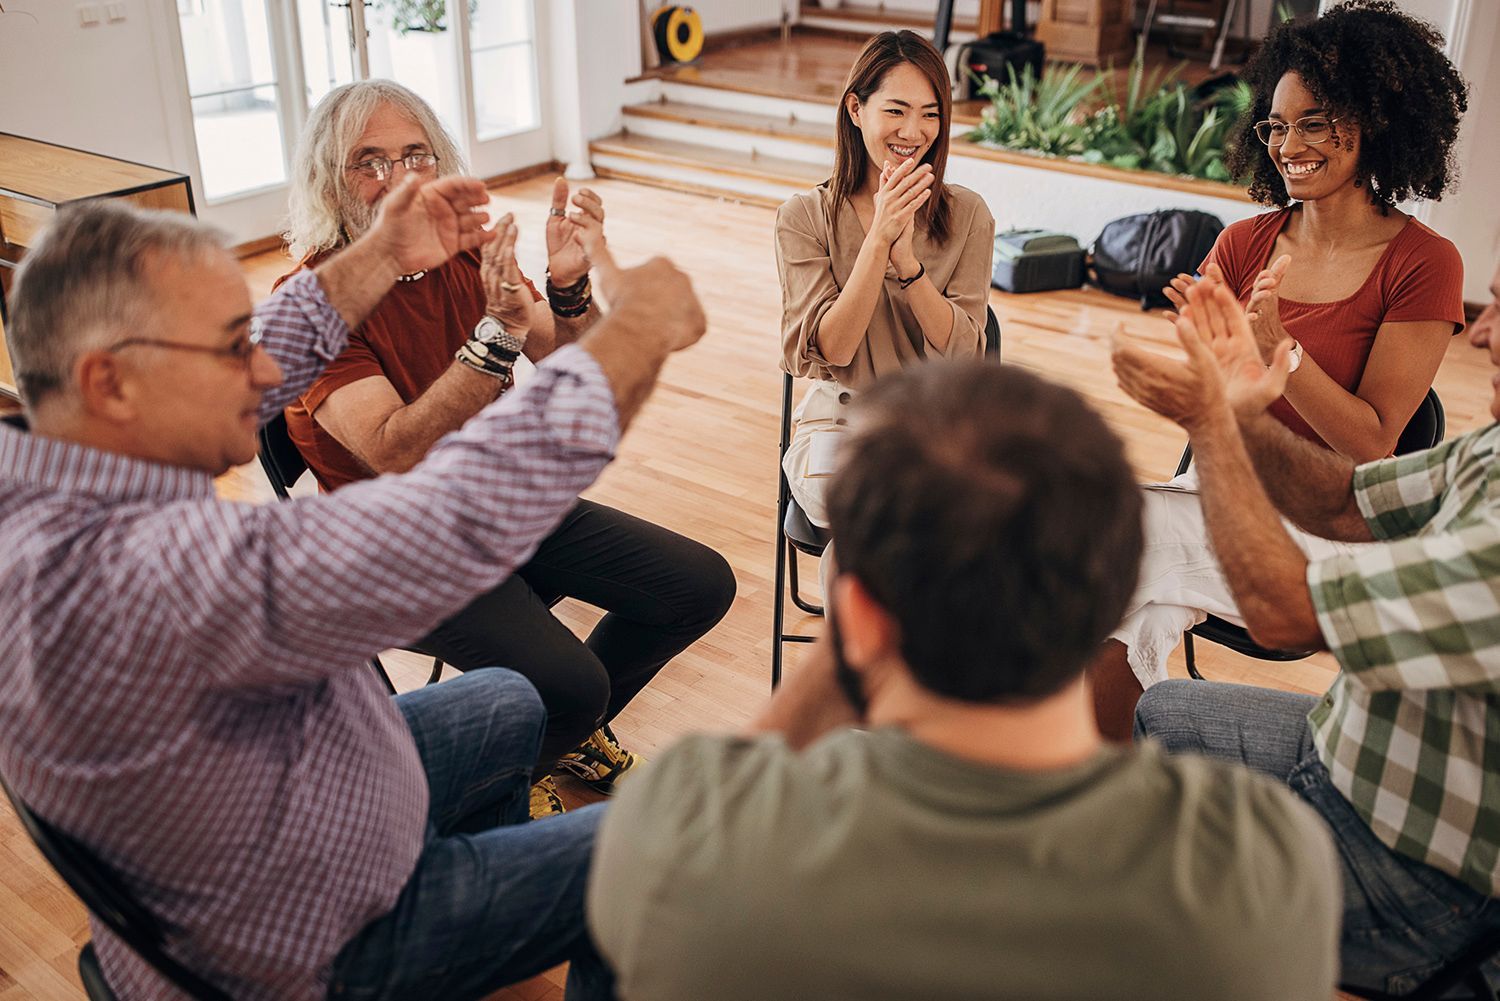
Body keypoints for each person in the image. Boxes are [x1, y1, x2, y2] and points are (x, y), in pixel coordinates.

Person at [0, 187, 707, 999]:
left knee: (509, 700)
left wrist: (382, 250)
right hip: (311, 943)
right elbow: (450, 516)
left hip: (286, 795)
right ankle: (456, 932)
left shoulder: (54, 455)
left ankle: (480, 947)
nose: (263, 371)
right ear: (112, 382)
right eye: (232, 349)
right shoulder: (143, 575)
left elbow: (277, 340)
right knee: (664, 839)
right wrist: (634, 334)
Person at [587, 360, 1341, 1001]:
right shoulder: (1262, 859)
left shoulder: (681, 827)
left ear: (861, 616)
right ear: (1116, 591)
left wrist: (839, 651)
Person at [281, 80, 736, 813]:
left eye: (415, 156)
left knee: (699, 586)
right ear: (329, 182)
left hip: (500, 500)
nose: (400, 180)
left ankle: (554, 739)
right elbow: (394, 448)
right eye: (370, 162)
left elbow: (572, 358)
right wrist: (498, 336)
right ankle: (500, 783)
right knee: (574, 684)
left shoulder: (466, 255)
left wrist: (568, 286)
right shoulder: (311, 304)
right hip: (398, 550)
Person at [1113, 261, 1500, 995]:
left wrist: (1214, 424)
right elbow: (1348, 501)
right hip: (1360, 748)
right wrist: (1243, 410)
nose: (1482, 334)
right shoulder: (1494, 452)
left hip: (1426, 880)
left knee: (1149, 896)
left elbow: (1286, 612)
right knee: (1163, 711)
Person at [1090, 0, 1470, 739]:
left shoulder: (1425, 263)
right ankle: (1090, 781)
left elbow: (1373, 445)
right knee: (1124, 595)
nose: (1288, 145)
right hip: (1223, 494)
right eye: (1275, 125)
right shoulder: (1242, 244)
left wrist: (1281, 351)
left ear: (1375, 122)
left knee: (1114, 551)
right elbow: (1214, 407)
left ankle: (1045, 774)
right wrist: (1204, 368)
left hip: (1332, 523)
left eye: (1314, 123)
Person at [777, 29, 995, 531]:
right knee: (893, 512)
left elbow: (965, 356)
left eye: (930, 114)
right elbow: (833, 349)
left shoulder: (969, 214)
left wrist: (908, 265)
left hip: (936, 422)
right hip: (840, 421)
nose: (913, 132)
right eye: (896, 110)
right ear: (856, 109)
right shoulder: (804, 217)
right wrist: (878, 241)